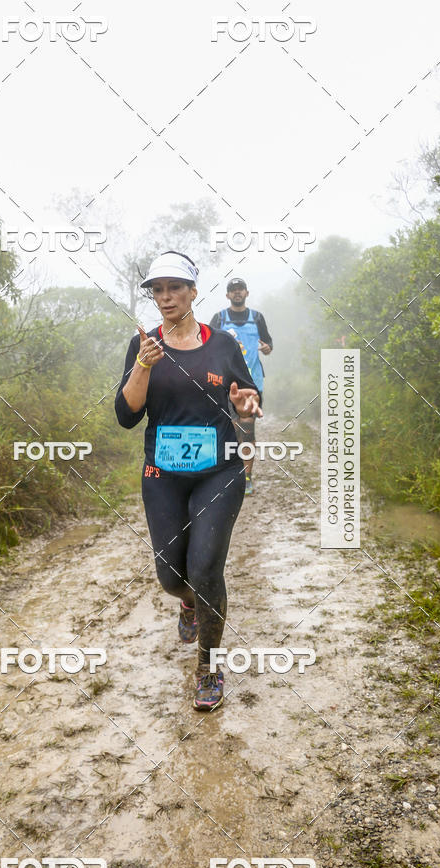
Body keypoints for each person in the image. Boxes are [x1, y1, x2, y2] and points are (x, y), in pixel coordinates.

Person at [115, 251, 262, 711]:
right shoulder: (143, 344)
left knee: (204, 570)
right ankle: (188, 604)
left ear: (193, 291)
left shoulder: (222, 344)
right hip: (162, 475)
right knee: (171, 577)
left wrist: (246, 413)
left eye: (174, 288)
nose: (165, 297)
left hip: (218, 471)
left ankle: (208, 668)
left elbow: (248, 399)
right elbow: (125, 416)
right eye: (157, 290)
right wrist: (143, 364)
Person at [209, 278, 273, 495]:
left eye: (240, 290)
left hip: (252, 382)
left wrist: (266, 348)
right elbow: (206, 346)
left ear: (247, 292)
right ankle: (229, 474)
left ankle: (246, 477)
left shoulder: (257, 318)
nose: (237, 293)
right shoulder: (219, 319)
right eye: (232, 290)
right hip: (225, 384)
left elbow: (269, 344)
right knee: (231, 430)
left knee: (247, 429)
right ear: (227, 295)